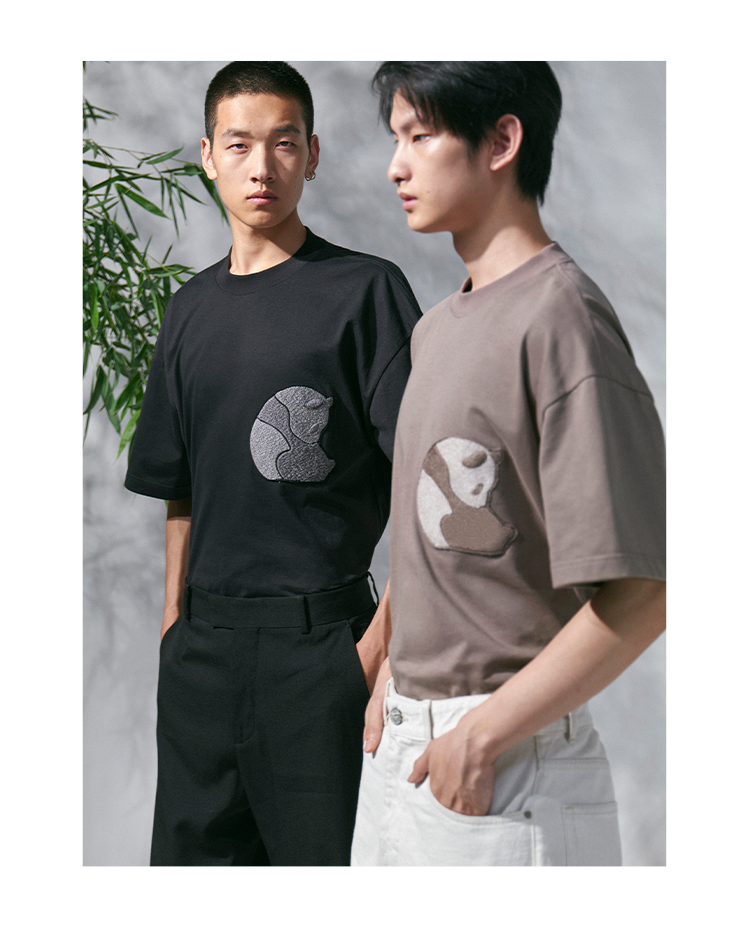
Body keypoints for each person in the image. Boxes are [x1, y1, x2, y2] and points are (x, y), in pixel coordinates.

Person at [351, 61, 667, 867]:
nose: (395, 166)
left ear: (501, 141)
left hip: (504, 765)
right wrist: (387, 659)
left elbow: (647, 592)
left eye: (420, 136)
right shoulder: (437, 328)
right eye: (396, 139)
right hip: (402, 756)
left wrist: (482, 734)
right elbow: (436, 528)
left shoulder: (563, 320)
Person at [124, 60, 421, 867]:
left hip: (321, 654)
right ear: (207, 156)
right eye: (239, 144)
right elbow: (179, 488)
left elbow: (425, 483)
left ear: (312, 154)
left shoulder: (365, 293)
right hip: (202, 659)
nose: (262, 167)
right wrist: (174, 629)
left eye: (284, 143)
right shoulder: (189, 310)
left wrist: (375, 651)